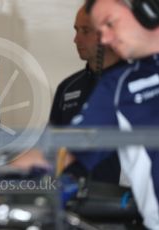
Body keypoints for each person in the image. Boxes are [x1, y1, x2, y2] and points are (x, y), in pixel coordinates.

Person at [66, 0, 159, 228]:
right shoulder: (118, 86)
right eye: (99, 30)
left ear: (148, 10)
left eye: (110, 23)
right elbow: (69, 152)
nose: (104, 39)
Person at [49, 4, 123, 184]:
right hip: (72, 199)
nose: (76, 39)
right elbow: (52, 148)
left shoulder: (132, 82)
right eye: (76, 30)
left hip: (123, 202)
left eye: (85, 31)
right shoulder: (68, 87)